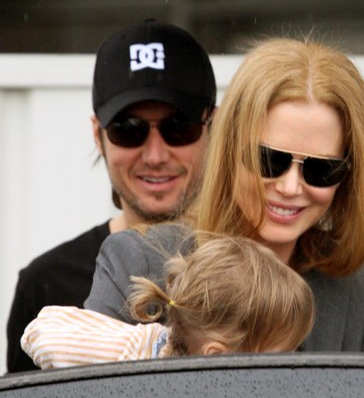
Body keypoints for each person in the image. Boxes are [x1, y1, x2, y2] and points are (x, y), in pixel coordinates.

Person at [84, 35, 364, 398]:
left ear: (349, 174)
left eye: (321, 170)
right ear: (229, 147)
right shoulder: (139, 260)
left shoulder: (352, 286)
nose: (291, 187)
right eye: (268, 160)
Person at [6, 19, 216, 373]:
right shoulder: (46, 282)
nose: (155, 155)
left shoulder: (253, 264)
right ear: (97, 134)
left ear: (214, 126)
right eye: (128, 130)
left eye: (178, 127)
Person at [21, 235, 315, 369]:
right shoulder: (141, 350)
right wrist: (127, 358)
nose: (289, 367)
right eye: (279, 357)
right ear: (217, 357)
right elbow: (41, 331)